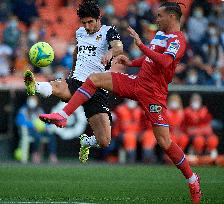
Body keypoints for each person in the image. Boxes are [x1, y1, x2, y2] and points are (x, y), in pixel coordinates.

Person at [39, 2, 201, 203]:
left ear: (173, 17)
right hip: (137, 83)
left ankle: (193, 179)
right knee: (95, 78)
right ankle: (63, 115)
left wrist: (141, 45)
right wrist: (132, 62)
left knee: (165, 142)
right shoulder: (160, 35)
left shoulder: (178, 40)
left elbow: (166, 62)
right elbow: (151, 60)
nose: (156, 19)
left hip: (154, 94)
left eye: (160, 16)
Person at [24, 1, 123, 163]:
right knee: (58, 85)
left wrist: (111, 52)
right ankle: (34, 86)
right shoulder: (80, 32)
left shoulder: (108, 31)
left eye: (90, 22)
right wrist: (72, 70)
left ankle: (85, 142)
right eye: (84, 23)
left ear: (99, 19)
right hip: (78, 81)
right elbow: (77, 51)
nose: (87, 26)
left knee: (104, 141)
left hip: (98, 88)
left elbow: (119, 48)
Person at [16, 96, 57, 163]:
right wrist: (33, 125)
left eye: (34, 100)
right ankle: (35, 154)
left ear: (37, 102)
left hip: (40, 130)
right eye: (31, 100)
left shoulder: (39, 110)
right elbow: (19, 121)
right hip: (29, 130)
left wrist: (46, 126)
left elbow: (44, 121)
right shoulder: (23, 110)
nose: (32, 102)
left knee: (51, 136)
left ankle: (52, 155)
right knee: (37, 136)